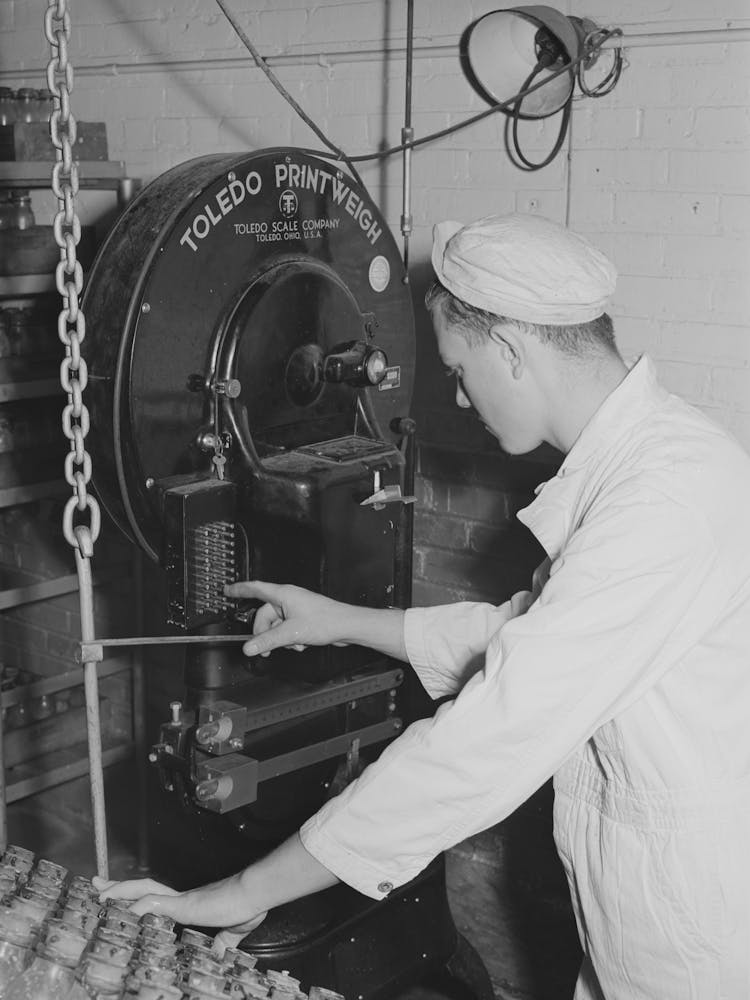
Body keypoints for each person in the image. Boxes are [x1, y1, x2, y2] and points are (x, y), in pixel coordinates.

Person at [96, 213, 750, 1000]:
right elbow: (518, 634)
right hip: (646, 917)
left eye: (459, 370)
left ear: (510, 350)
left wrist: (245, 891)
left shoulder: (663, 501)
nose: (459, 397)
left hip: (697, 943)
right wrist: (335, 618)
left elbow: (491, 730)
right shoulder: (648, 465)